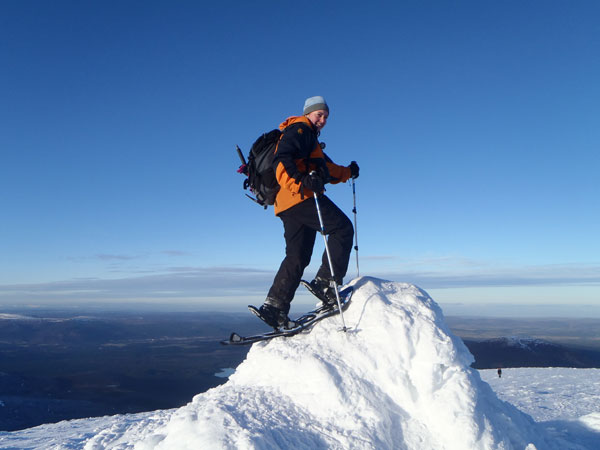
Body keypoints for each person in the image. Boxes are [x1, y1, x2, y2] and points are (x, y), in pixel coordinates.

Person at [257, 96, 359, 329]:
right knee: (342, 228)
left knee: (298, 255)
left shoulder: (309, 138)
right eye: (318, 115)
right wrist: (301, 182)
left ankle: (275, 306)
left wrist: (348, 172)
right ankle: (326, 282)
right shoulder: (300, 130)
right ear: (308, 113)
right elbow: (281, 161)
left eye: (325, 116)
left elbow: (327, 170)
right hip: (300, 197)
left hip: (286, 205)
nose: (322, 120)